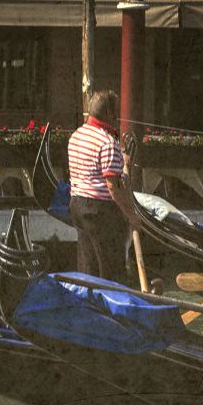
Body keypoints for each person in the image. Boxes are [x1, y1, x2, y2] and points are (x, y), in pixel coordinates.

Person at [68, 89, 140, 283]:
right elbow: (113, 187)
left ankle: (89, 300)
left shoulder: (76, 135)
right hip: (100, 210)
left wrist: (120, 160)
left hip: (77, 205)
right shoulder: (107, 142)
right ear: (108, 113)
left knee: (88, 262)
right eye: (115, 111)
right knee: (111, 265)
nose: (116, 116)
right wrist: (131, 215)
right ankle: (113, 301)